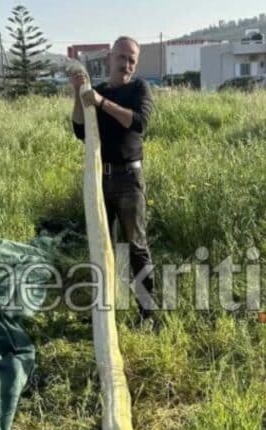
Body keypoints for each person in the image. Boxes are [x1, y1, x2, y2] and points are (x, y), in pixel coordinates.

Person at [70, 36, 156, 327]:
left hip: (129, 179)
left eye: (132, 59)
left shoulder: (138, 88)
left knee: (135, 247)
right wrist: (79, 95)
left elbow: (138, 122)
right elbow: (80, 130)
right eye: (123, 57)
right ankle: (104, 313)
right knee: (101, 244)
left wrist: (101, 102)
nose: (127, 64)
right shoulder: (100, 91)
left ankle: (147, 315)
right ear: (110, 58)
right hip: (100, 179)